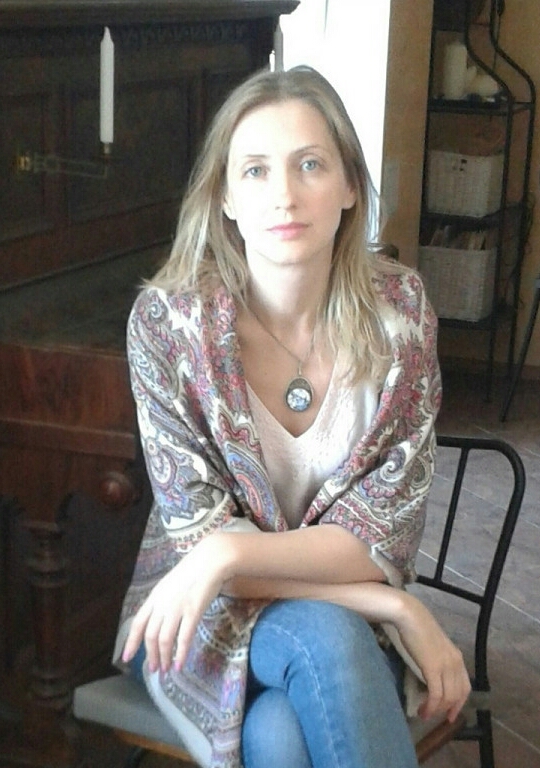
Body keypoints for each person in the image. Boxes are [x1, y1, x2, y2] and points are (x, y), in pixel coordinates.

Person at [114, 65, 471, 768]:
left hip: (333, 617)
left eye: (310, 164)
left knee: (280, 733)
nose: (284, 194)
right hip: (193, 621)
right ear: (225, 197)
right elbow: (203, 555)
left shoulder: (401, 315)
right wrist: (395, 606)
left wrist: (229, 551)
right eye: (255, 170)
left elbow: (378, 540)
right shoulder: (168, 326)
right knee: (328, 640)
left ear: (350, 186)